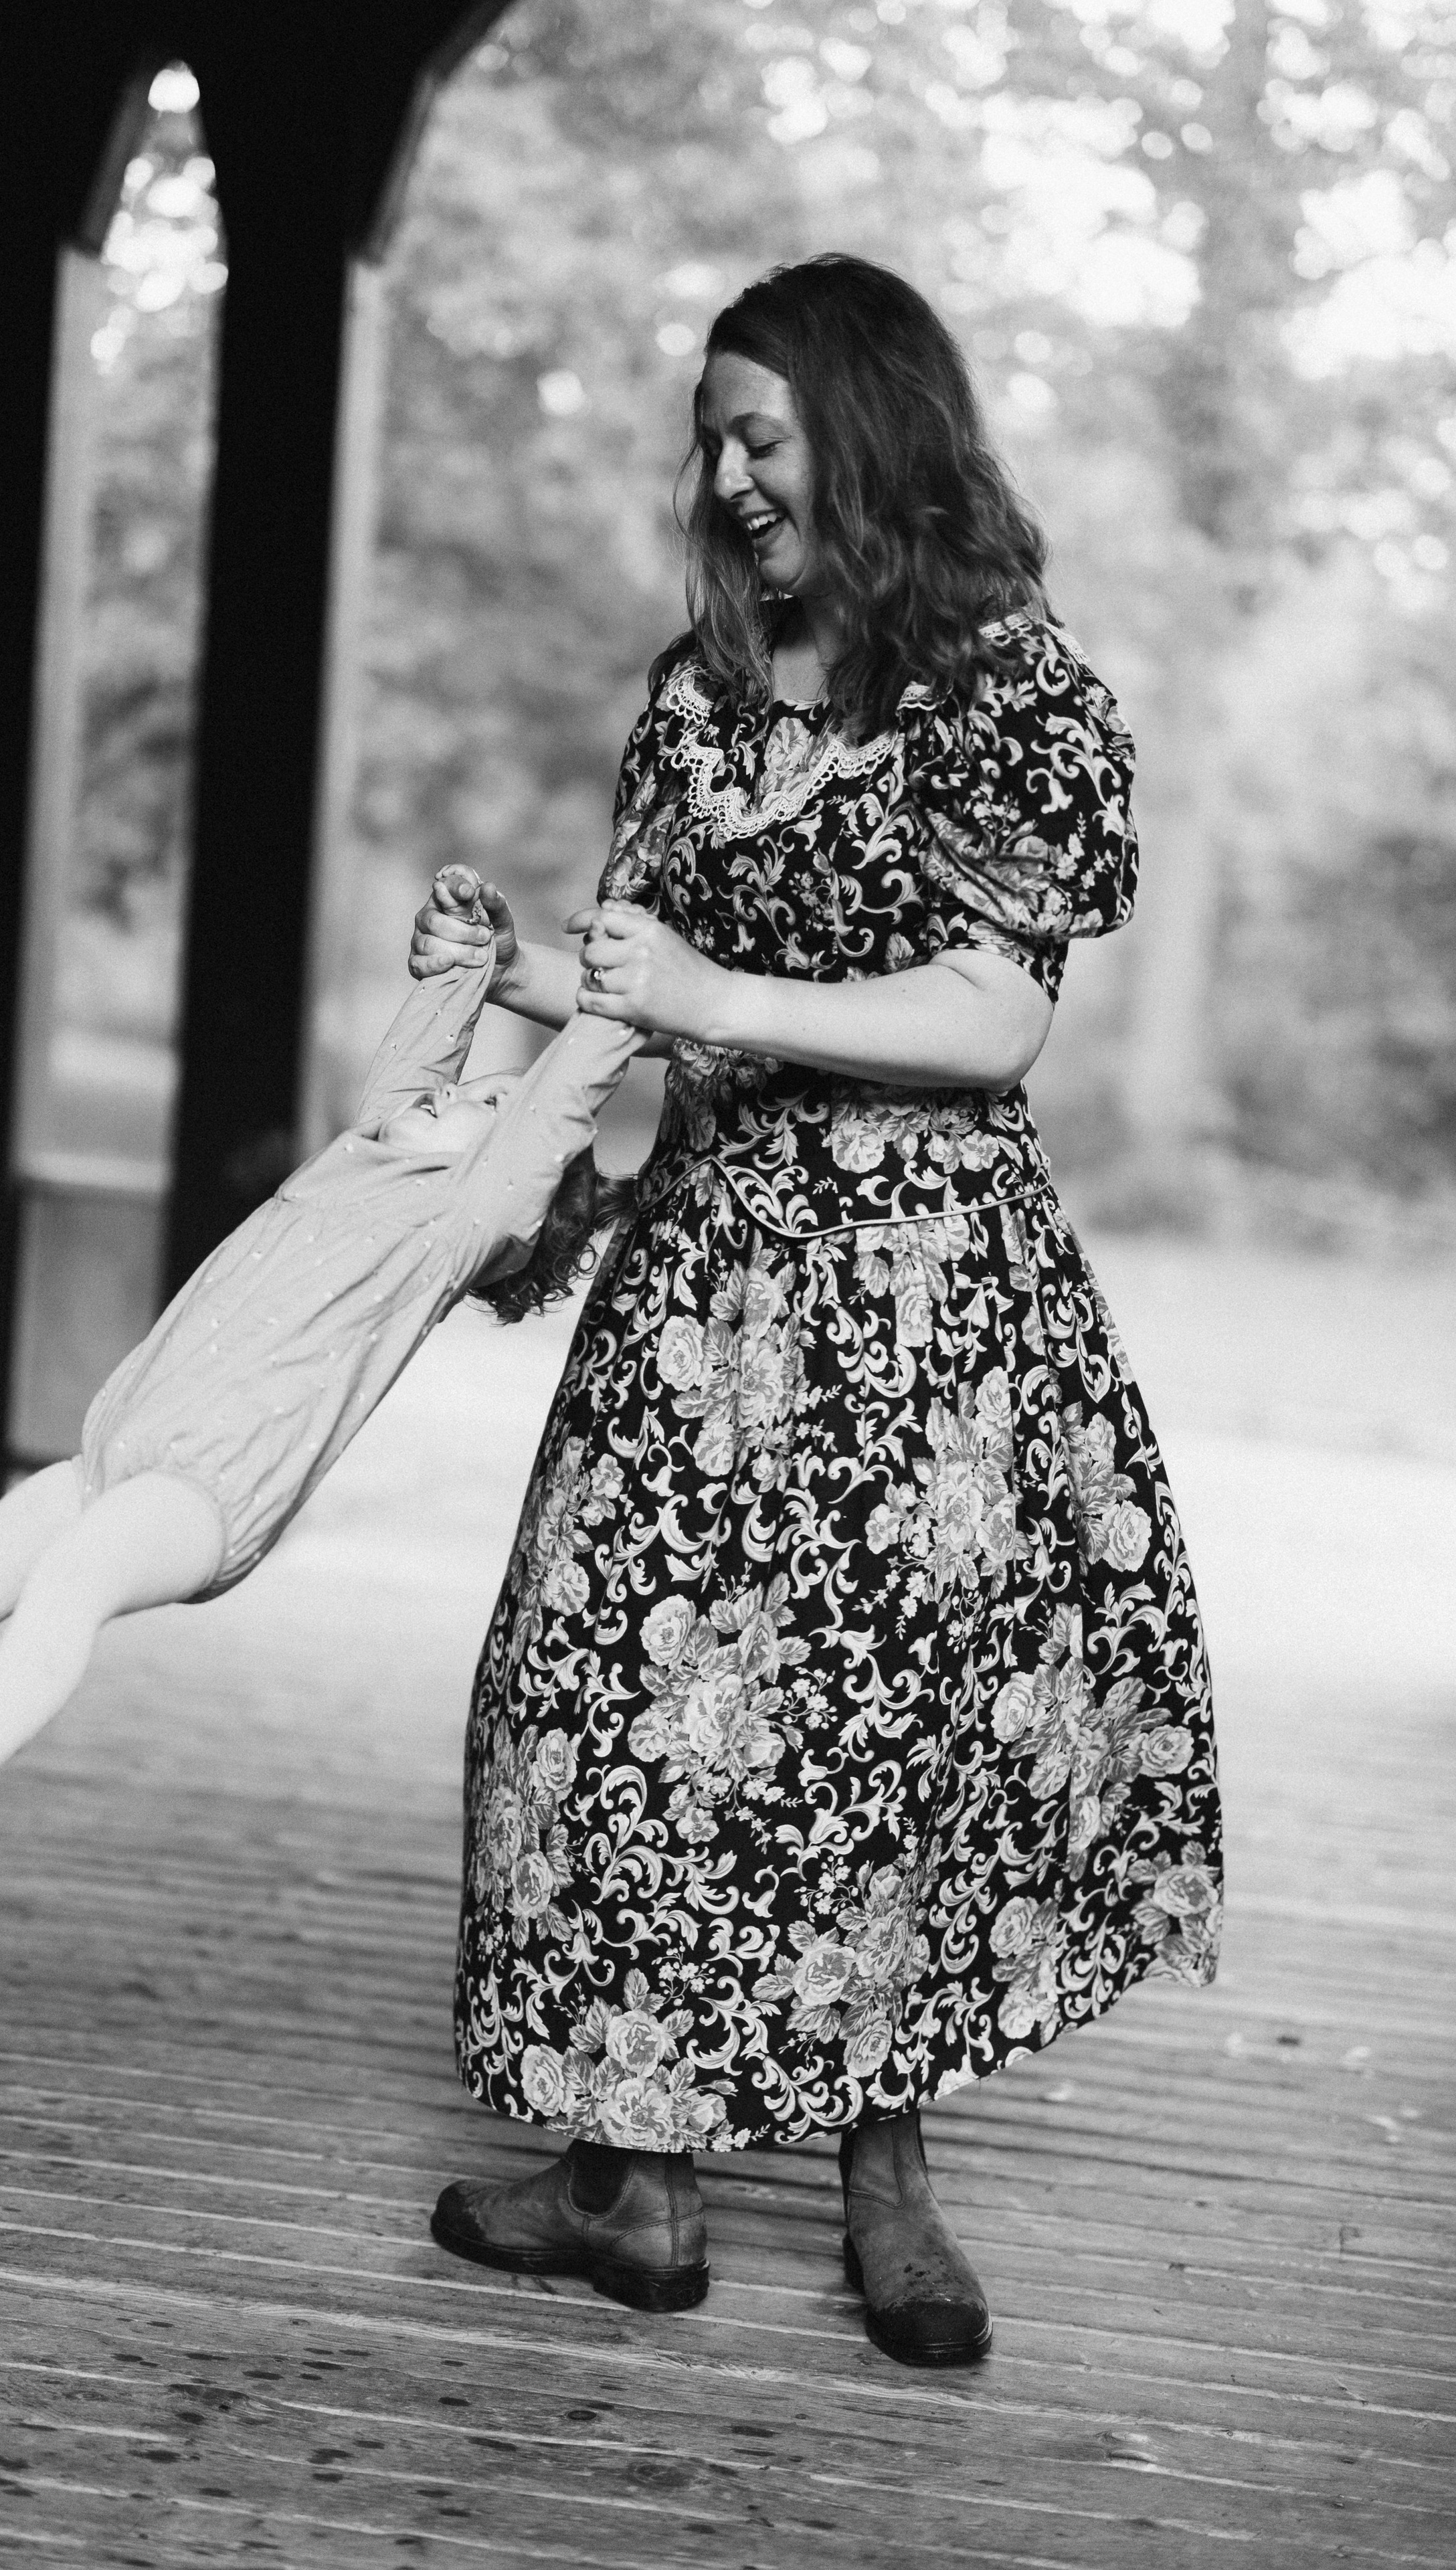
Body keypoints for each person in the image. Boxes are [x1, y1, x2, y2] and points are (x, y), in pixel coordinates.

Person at [408, 256, 1222, 2361]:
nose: (730, 474)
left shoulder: (996, 683)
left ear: (865, 431)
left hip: (922, 1301)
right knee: (599, 1694)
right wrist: (514, 994)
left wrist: (711, 999)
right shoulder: (696, 696)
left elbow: (993, 1008)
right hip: (702, 1275)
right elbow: (638, 988)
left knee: (892, 1718)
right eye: (712, 436)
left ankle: (889, 2182)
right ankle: (637, 2186)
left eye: (761, 432)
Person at [0, 871, 637, 1860]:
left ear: (513, 1180)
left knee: (71, 1577)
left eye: (494, 1105)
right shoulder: (370, 1150)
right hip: (128, 1446)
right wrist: (468, 945)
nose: (472, 1089)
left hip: (216, 1482)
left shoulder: (460, 1220)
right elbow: (423, 1046)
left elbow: (561, 1101)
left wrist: (618, 990)